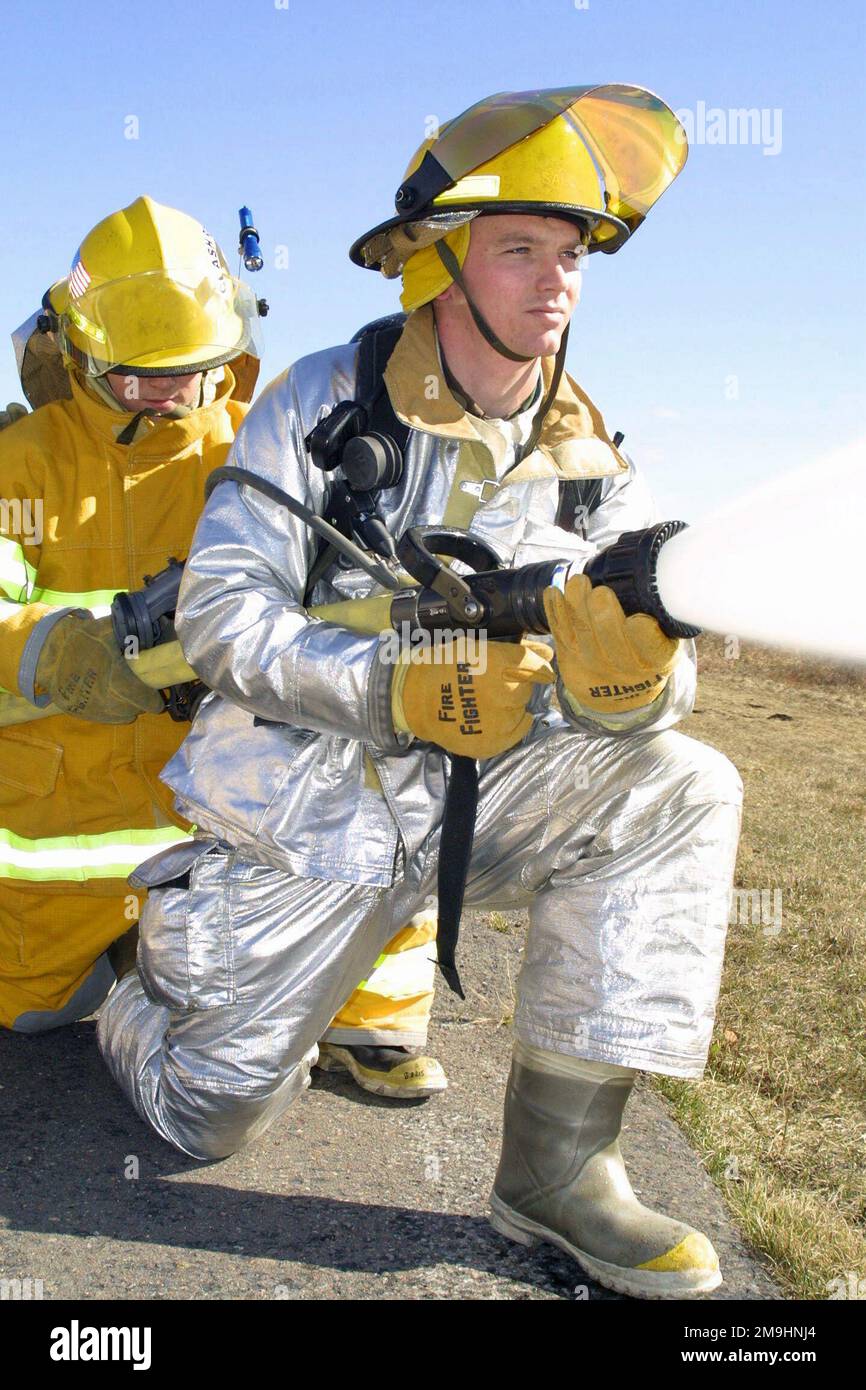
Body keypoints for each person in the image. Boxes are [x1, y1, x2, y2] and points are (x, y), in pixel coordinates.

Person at [98, 87, 744, 1299]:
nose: (554, 283)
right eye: (518, 248)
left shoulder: (592, 456)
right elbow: (220, 620)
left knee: (681, 785)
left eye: (570, 254)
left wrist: (632, 692)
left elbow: (645, 672)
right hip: (301, 813)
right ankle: (152, 979)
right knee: (203, 1120)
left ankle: (558, 1172)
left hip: (476, 801)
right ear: (434, 264)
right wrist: (395, 692)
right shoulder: (317, 401)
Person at [0, 195, 445, 1094]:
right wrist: (56, 652)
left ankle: (366, 1020)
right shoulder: (24, 463)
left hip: (216, 812)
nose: (166, 392)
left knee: (385, 761)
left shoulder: (258, 450)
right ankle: (131, 972)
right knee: (32, 1013)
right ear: (79, 351)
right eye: (136, 375)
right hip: (57, 819)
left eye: (191, 370)